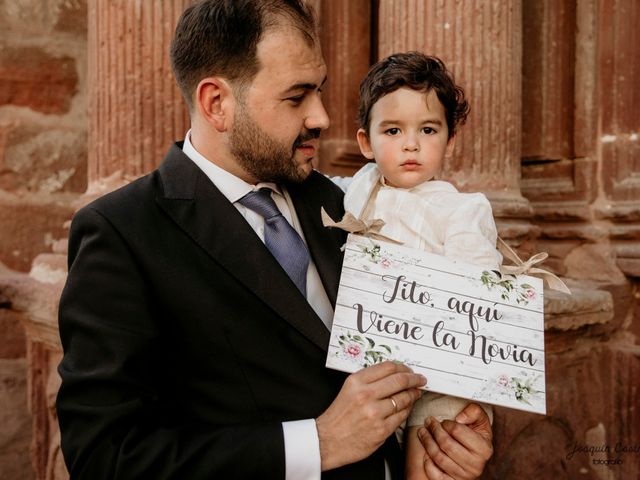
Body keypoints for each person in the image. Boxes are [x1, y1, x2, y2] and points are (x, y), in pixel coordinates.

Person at [56, 1, 492, 479]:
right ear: (216, 103)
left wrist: (443, 445)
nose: (322, 116)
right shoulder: (123, 231)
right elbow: (105, 458)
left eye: (320, 91)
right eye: (296, 97)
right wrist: (317, 444)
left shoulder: (345, 201)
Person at [333, 52, 500, 479]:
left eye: (428, 130)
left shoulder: (462, 210)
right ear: (366, 143)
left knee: (431, 451)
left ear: (449, 139)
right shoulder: (358, 189)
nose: (411, 144)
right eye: (393, 130)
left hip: (440, 371)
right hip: (373, 360)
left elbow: (479, 291)